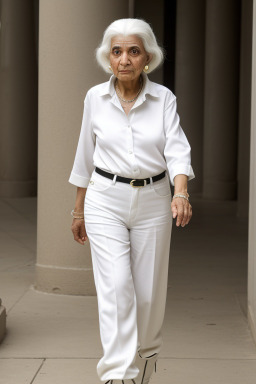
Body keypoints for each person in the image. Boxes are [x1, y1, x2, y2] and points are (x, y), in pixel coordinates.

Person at [69, 18, 195, 384]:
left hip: (154, 199)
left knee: (148, 295)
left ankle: (147, 360)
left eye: (134, 51)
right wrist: (78, 209)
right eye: (117, 51)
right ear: (108, 58)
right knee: (116, 287)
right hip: (104, 199)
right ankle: (117, 375)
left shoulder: (163, 99)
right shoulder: (95, 97)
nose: (125, 59)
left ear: (147, 58)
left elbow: (177, 150)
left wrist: (181, 191)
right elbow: (84, 155)